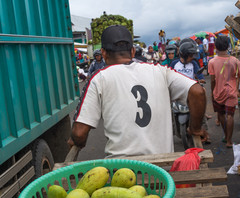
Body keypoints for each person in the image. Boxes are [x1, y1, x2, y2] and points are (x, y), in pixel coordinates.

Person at [68, 25, 206, 157]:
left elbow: (79, 134)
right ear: (133, 51)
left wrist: (76, 140)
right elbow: (198, 92)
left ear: (103, 53)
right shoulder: (160, 70)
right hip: (163, 171)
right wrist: (195, 128)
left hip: (122, 171)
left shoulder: (99, 78)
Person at [208, 35, 240, 148]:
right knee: (230, 115)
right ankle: (229, 141)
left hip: (218, 92)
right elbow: (238, 77)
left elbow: (212, 80)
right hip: (231, 92)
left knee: (221, 114)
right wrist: (236, 89)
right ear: (228, 46)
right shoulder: (235, 61)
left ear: (216, 46)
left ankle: (226, 135)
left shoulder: (212, 62)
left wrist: (212, 92)